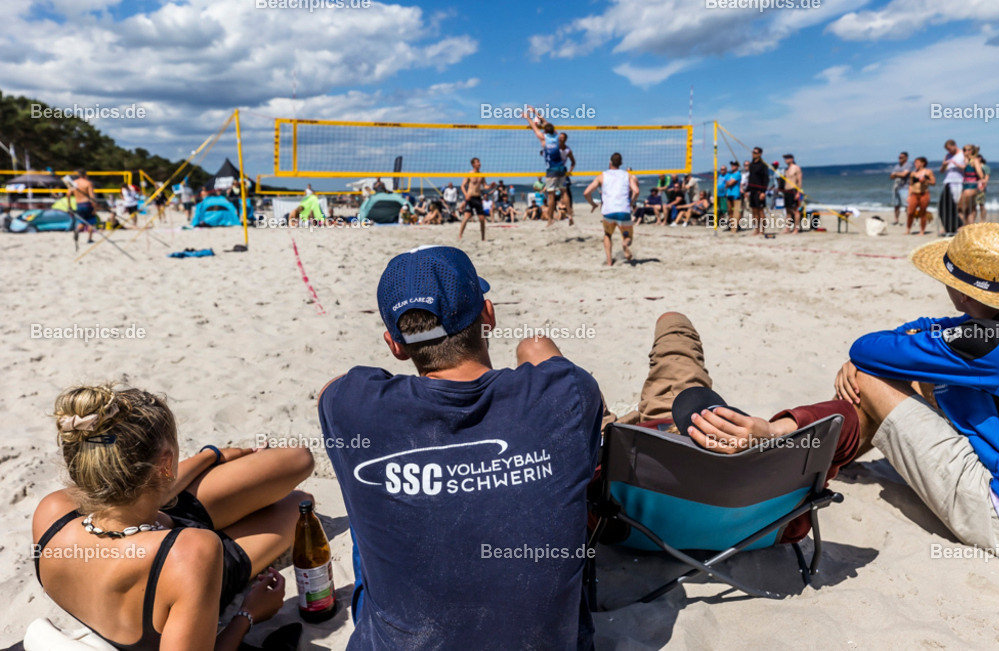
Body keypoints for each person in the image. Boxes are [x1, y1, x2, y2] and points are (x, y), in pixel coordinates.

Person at [318, 246, 602, 650]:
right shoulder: (568, 393)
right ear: (489, 315)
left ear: (394, 345)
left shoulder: (351, 408)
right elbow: (550, 361)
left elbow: (331, 389)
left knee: (374, 513)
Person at [32, 384, 315, 649]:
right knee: (301, 504)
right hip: (176, 568)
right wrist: (248, 614)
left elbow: (123, 493)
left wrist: (211, 456)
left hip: (159, 529)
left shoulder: (53, 510)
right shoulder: (192, 553)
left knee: (298, 458)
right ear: (166, 463)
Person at [835, 223, 999, 563]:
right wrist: (910, 340)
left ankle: (815, 465)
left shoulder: (984, 344)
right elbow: (936, 327)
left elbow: (866, 348)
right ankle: (828, 455)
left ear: (962, 294)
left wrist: (869, 359)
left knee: (868, 377)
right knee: (932, 376)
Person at [600, 312, 859, 543]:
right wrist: (773, 433)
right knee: (676, 334)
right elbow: (844, 418)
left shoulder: (606, 520)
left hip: (629, 517)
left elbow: (586, 484)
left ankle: (630, 418)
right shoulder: (786, 521)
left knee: (670, 324)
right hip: (757, 535)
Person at [583, 152, 639, 266]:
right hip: (623, 210)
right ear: (621, 163)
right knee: (628, 237)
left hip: (608, 212)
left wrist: (593, 204)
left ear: (610, 163)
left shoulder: (602, 176)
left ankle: (609, 262)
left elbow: (586, 192)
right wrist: (631, 202)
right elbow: (636, 191)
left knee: (607, 235)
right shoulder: (627, 175)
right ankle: (625, 244)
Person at [525, 107, 567, 218]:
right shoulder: (557, 136)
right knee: (564, 192)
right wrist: (535, 111)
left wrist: (527, 117)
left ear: (545, 131)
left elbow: (534, 127)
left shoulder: (543, 138)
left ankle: (550, 219)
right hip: (561, 168)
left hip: (551, 170)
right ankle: (570, 214)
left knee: (551, 195)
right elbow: (546, 122)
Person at [458, 157, 489, 241]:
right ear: (473, 164)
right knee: (466, 217)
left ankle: (483, 238)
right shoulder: (469, 174)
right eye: (477, 162)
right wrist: (466, 195)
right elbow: (462, 186)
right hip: (470, 198)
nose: (479, 163)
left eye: (479, 162)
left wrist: (490, 186)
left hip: (478, 198)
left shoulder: (481, 175)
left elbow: (485, 186)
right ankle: (460, 236)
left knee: (482, 219)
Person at [939, 139, 965, 237]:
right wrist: (944, 165)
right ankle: (947, 226)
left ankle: (959, 226)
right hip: (947, 182)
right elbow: (941, 171)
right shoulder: (947, 156)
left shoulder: (962, 154)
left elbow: (966, 167)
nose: (949, 151)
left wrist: (956, 164)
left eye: (950, 149)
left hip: (958, 182)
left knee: (957, 206)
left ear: (954, 145)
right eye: (947, 149)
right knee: (943, 206)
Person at [906, 157, 935, 235]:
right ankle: (908, 229)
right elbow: (911, 185)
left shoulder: (928, 172)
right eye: (915, 162)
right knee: (910, 212)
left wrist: (926, 181)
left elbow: (933, 182)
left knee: (923, 212)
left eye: (917, 162)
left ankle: (922, 230)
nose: (915, 164)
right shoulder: (913, 173)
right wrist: (909, 196)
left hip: (924, 194)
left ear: (922, 163)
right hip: (914, 194)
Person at [67, 168, 98, 243]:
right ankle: (90, 239)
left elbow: (68, 194)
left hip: (79, 204)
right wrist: (95, 208)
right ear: (85, 175)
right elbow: (92, 196)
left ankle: (77, 230)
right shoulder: (88, 183)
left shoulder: (74, 183)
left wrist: (69, 205)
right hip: (87, 204)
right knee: (91, 222)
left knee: (82, 222)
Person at [747, 148, 770, 235]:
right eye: (753, 152)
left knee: (760, 211)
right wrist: (747, 190)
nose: (753, 154)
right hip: (752, 191)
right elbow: (751, 178)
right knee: (754, 211)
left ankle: (762, 230)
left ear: (760, 154)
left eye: (755, 152)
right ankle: (756, 229)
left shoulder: (763, 165)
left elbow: (766, 179)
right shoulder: (751, 165)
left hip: (759, 191)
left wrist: (763, 192)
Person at [960, 144, 983, 227]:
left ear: (971, 151)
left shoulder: (974, 161)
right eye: (963, 150)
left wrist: (980, 180)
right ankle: (969, 227)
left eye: (965, 150)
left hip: (971, 186)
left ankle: (966, 227)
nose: (964, 152)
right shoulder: (967, 161)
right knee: (970, 209)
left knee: (961, 209)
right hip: (967, 186)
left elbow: (980, 174)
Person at [781, 154, 803, 234]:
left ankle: (796, 229)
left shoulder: (796, 168)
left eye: (787, 158)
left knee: (795, 211)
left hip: (793, 190)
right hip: (786, 191)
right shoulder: (786, 169)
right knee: (788, 211)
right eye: (785, 158)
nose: (786, 160)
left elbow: (799, 181)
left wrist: (798, 193)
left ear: (792, 159)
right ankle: (787, 228)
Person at [890, 151, 911, 225]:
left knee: (907, 205)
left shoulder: (908, 165)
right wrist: (897, 174)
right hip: (897, 187)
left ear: (906, 158)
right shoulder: (897, 166)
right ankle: (896, 220)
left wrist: (896, 174)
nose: (900, 159)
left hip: (905, 187)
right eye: (899, 157)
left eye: (902, 157)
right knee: (896, 205)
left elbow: (904, 174)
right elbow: (891, 176)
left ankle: (908, 221)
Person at [724, 162, 741, 231]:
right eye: (732, 165)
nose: (732, 167)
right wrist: (728, 183)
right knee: (730, 211)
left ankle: (736, 226)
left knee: (736, 211)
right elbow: (726, 185)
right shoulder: (731, 175)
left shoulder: (738, 174)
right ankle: (731, 225)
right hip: (729, 194)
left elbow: (730, 183)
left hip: (735, 194)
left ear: (737, 166)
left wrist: (728, 183)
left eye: (734, 165)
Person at [977, 155, 991, 223]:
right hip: (975, 187)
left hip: (981, 187)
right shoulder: (977, 166)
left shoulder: (985, 167)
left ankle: (982, 220)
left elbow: (987, 178)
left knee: (981, 205)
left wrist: (984, 186)